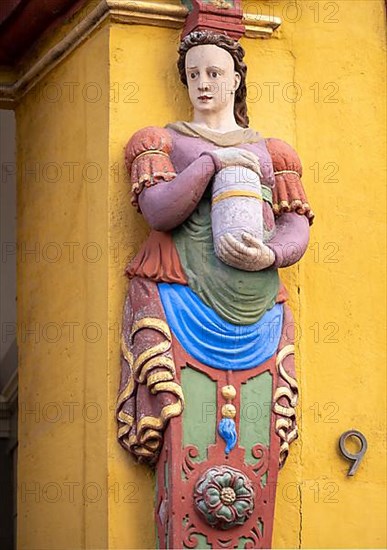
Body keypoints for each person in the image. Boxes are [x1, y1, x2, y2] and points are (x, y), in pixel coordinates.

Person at [117, 30, 314, 466]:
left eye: (214, 72)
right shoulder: (163, 142)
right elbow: (158, 211)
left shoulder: (272, 152)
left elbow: (295, 223)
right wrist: (211, 163)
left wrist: (272, 254)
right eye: (193, 75)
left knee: (253, 434)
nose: (203, 83)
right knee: (185, 428)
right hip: (181, 296)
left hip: (258, 308)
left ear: (236, 79)